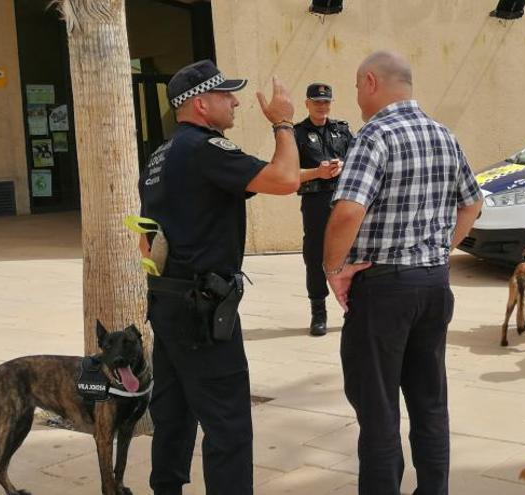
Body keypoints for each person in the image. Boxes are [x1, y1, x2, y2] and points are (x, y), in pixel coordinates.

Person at [323, 50, 483, 494]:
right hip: (433, 284)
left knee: (378, 410)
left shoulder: (374, 135)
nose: (356, 97)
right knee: (430, 402)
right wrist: (440, 248)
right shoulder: (443, 135)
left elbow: (348, 210)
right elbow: (472, 201)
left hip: (384, 289)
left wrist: (333, 268)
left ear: (371, 81)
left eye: (357, 86)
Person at [138, 59, 300, 495]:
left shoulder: (162, 153)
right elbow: (283, 180)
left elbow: (146, 238)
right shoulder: (206, 149)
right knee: (227, 423)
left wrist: (313, 173)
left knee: (172, 412)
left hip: (169, 302)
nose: (235, 101)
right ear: (199, 104)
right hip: (202, 309)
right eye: (225, 94)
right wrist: (283, 122)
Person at [294, 82, 353, 336]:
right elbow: (288, 174)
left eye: (326, 102)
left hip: (343, 199)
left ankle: (354, 307)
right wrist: (317, 172)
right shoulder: (296, 134)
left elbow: (359, 161)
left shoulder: (342, 130)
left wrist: (343, 167)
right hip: (315, 201)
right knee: (315, 256)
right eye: (317, 102)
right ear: (307, 103)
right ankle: (318, 311)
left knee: (351, 252)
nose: (322, 106)